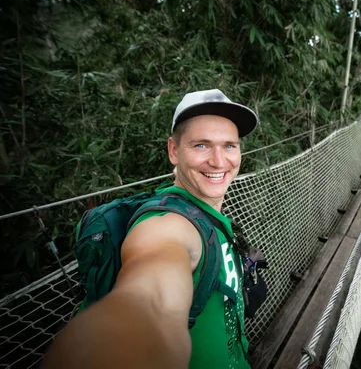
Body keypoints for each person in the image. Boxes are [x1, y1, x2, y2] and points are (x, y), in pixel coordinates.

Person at [43, 89, 259, 369]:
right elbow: (154, 291)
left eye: (229, 145)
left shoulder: (207, 213)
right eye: (201, 145)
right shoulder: (167, 223)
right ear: (173, 151)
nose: (219, 161)